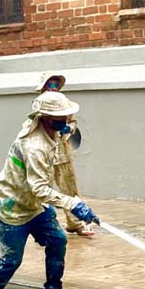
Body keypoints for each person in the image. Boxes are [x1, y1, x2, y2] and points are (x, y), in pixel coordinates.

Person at [0, 91, 103, 289]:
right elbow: (39, 188)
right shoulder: (34, 145)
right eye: (63, 117)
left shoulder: (49, 131)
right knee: (11, 261)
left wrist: (66, 131)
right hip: (12, 209)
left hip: (35, 206)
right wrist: (72, 203)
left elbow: (39, 191)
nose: (68, 120)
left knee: (58, 240)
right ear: (47, 118)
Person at [35, 72, 95, 237]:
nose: (53, 87)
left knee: (69, 188)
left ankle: (75, 223)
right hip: (44, 153)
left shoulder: (65, 101)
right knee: (41, 189)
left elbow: (72, 121)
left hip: (62, 153)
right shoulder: (39, 104)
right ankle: (41, 225)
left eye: (55, 84)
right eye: (50, 84)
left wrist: (69, 128)